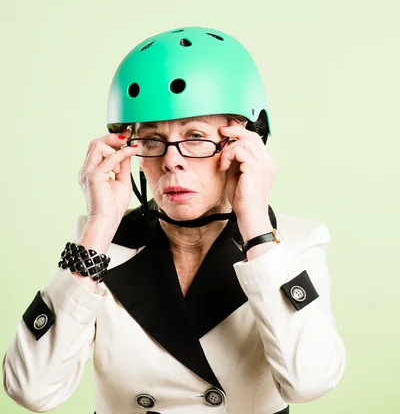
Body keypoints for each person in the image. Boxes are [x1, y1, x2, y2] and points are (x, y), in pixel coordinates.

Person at [2, 26, 346, 414]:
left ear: (243, 144)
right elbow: (30, 389)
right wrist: (99, 224)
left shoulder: (297, 243)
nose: (170, 160)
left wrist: (257, 233)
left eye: (196, 136)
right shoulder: (99, 247)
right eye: (151, 140)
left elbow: (310, 381)